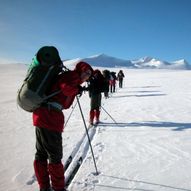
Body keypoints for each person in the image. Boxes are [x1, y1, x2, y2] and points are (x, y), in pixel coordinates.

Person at [33, 60, 93, 191]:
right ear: (80, 70)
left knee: (41, 154)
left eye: (89, 74)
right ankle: (58, 188)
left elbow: (65, 104)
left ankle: (44, 186)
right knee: (54, 156)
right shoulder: (72, 76)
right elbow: (65, 88)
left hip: (42, 116)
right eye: (86, 72)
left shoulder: (72, 77)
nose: (87, 76)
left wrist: (76, 89)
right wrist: (76, 88)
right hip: (50, 119)